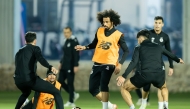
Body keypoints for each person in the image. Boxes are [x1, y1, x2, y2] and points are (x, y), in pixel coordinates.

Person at [116, 29, 184, 109]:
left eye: (138, 39)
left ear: (141, 38)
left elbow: (133, 62)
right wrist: (178, 60)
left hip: (145, 75)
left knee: (124, 88)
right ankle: (166, 105)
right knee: (163, 87)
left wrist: (123, 76)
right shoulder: (158, 46)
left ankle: (132, 107)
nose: (137, 41)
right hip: (158, 75)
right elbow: (170, 54)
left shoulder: (138, 47)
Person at [75, 9, 129, 109]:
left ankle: (104, 108)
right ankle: (111, 106)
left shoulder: (118, 35)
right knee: (92, 89)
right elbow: (94, 44)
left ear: (112, 21)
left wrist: (120, 64)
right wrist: (84, 47)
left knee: (104, 84)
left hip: (110, 63)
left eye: (107, 21)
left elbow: (126, 51)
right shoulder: (99, 31)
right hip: (97, 63)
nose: (104, 23)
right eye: (103, 21)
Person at [13, 32, 64, 109]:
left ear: (25, 41)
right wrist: (50, 67)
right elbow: (41, 59)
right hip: (30, 80)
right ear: (35, 41)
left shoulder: (18, 52)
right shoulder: (35, 48)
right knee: (56, 92)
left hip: (18, 81)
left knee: (26, 93)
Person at [138, 16, 174, 109]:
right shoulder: (148, 34)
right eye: (155, 23)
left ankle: (161, 107)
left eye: (159, 23)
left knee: (161, 85)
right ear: (153, 23)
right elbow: (141, 48)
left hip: (159, 64)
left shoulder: (165, 37)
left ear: (162, 24)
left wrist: (171, 66)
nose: (157, 25)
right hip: (147, 64)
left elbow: (169, 51)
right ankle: (144, 103)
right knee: (146, 86)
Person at [58, 27, 80, 107]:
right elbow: (64, 54)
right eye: (64, 32)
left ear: (71, 32)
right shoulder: (65, 40)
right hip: (64, 65)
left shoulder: (74, 41)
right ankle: (73, 94)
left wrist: (76, 65)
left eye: (67, 32)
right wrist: (61, 62)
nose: (66, 34)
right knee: (59, 81)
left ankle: (71, 101)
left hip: (71, 66)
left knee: (70, 83)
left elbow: (76, 54)